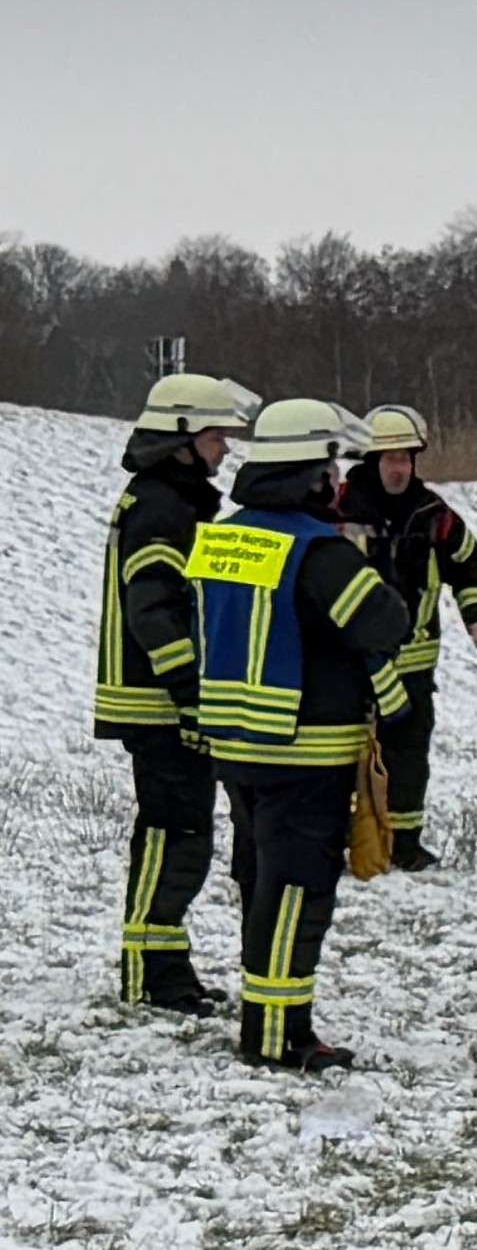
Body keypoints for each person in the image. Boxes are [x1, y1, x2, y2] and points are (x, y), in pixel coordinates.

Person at [186, 397, 414, 1074]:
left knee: (263, 881)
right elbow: (385, 621)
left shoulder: (223, 537)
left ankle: (267, 1021)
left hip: (237, 743)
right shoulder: (318, 551)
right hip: (305, 749)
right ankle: (280, 1035)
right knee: (297, 891)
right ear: (310, 474)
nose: (337, 482)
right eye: (331, 469)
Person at [94, 370, 252, 1016]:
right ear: (183, 439)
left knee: (180, 834)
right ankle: (151, 974)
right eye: (216, 436)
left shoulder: (170, 497)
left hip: (160, 701)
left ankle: (165, 965)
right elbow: (154, 610)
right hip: (158, 705)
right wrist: (190, 692)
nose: (224, 449)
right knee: (172, 835)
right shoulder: (163, 507)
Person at [342, 406, 477, 864]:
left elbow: (468, 564)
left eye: (406, 459)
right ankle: (344, 839)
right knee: (342, 755)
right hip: (351, 664)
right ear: (371, 460)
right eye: (391, 459)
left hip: (412, 665)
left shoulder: (433, 515)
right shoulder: (339, 508)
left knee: (408, 758)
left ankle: (403, 844)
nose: (400, 469)